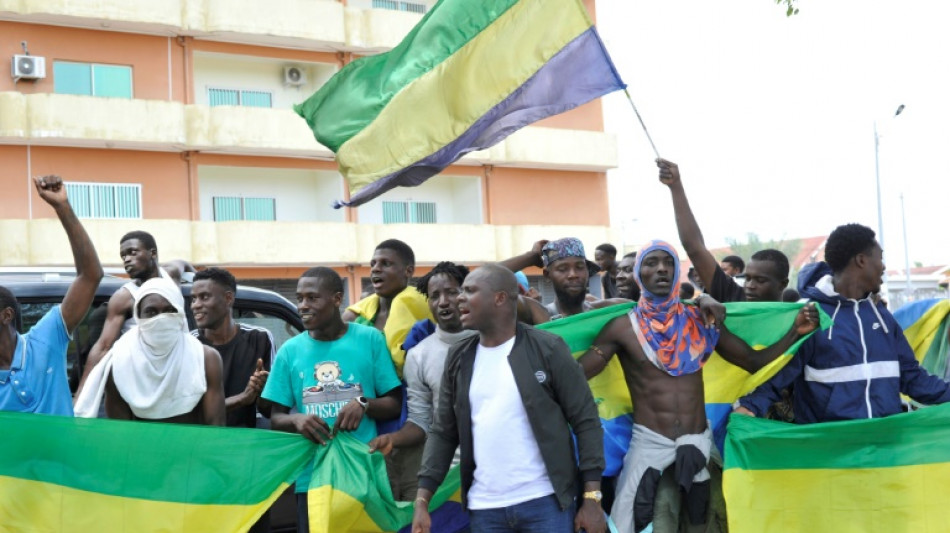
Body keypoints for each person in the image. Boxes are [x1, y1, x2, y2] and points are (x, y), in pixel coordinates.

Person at [578, 240, 817, 533]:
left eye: (668, 262)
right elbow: (577, 375)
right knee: (630, 523)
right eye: (651, 263)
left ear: (677, 271)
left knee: (705, 525)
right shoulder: (622, 327)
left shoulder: (700, 319)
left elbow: (753, 362)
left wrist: (795, 331)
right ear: (639, 273)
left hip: (699, 445)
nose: (662, 268)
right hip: (648, 445)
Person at [412, 264, 606, 533]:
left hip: (546, 504)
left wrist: (592, 498)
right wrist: (423, 498)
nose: (459, 299)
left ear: (500, 298)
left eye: (469, 291)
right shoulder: (459, 357)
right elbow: (444, 432)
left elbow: (586, 421)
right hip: (484, 510)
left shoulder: (548, 348)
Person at [735, 223, 950, 423]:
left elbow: (913, 379)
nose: (883, 267)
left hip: (884, 448)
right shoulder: (811, 315)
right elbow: (778, 378)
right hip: (830, 452)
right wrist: (749, 409)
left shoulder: (883, 317)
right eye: (880, 258)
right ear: (861, 260)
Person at [263, 267, 402, 532]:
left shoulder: (370, 339)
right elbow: (276, 418)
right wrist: (297, 419)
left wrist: (363, 403)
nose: (303, 306)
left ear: (337, 299)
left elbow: (394, 403)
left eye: (312, 298)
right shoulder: (290, 351)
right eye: (300, 298)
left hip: (363, 475)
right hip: (312, 478)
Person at [0, 175, 103, 416]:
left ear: (6, 315)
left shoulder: (45, 339)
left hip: (63, 456)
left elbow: (90, 275)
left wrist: (62, 207)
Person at [368, 262, 477, 482]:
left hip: (504, 469)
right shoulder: (418, 356)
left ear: (466, 294)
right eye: (434, 296)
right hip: (451, 477)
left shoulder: (494, 341)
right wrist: (392, 439)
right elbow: (420, 420)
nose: (443, 302)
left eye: (451, 292)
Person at [342, 239, 432, 501]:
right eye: (373, 264)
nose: (376, 269)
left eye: (386, 264)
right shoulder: (365, 311)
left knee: (407, 493)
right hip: (368, 415)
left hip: (409, 413)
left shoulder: (416, 302)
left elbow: (466, 282)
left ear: (408, 271)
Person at [75, 277, 226, 426]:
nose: (161, 319)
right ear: (138, 317)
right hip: (139, 448)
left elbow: (215, 425)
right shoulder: (119, 362)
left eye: (169, 311)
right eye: (151, 312)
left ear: (180, 313)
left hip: (192, 447)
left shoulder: (205, 358)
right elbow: (121, 432)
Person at [658, 159, 788, 303]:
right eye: (748, 278)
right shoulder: (733, 296)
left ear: (783, 284)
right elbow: (694, 248)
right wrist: (676, 186)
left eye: (760, 280)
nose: (750, 286)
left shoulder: (799, 319)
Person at [77, 230, 170, 395]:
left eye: (132, 253)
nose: (126, 259)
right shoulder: (125, 297)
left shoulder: (171, 277)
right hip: (143, 385)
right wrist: (82, 393)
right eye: (123, 256)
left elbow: (182, 264)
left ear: (152, 253)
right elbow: (103, 346)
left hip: (177, 378)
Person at [190, 267, 274, 428]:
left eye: (204, 297)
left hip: (244, 445)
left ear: (228, 298)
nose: (196, 305)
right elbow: (190, 412)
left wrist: (263, 390)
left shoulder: (260, 338)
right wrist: (243, 398)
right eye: (193, 299)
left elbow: (270, 410)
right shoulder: (189, 344)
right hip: (200, 444)